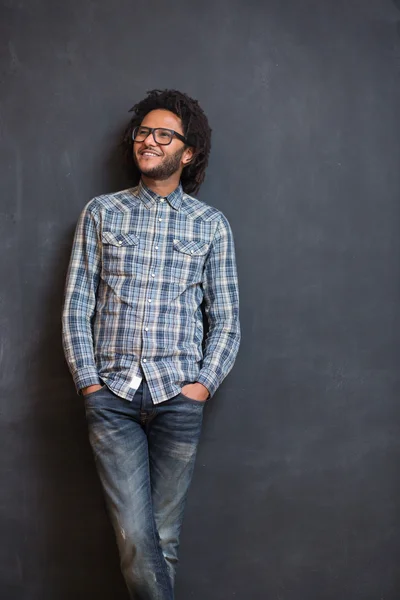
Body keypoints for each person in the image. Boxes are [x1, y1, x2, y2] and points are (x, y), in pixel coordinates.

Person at [62, 89, 240, 600]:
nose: (150, 140)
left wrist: (202, 386)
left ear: (187, 153)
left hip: (178, 400)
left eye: (164, 135)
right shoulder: (102, 213)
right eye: (144, 132)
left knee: (163, 540)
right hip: (112, 397)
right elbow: (77, 305)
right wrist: (90, 384)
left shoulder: (210, 225)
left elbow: (226, 320)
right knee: (135, 541)